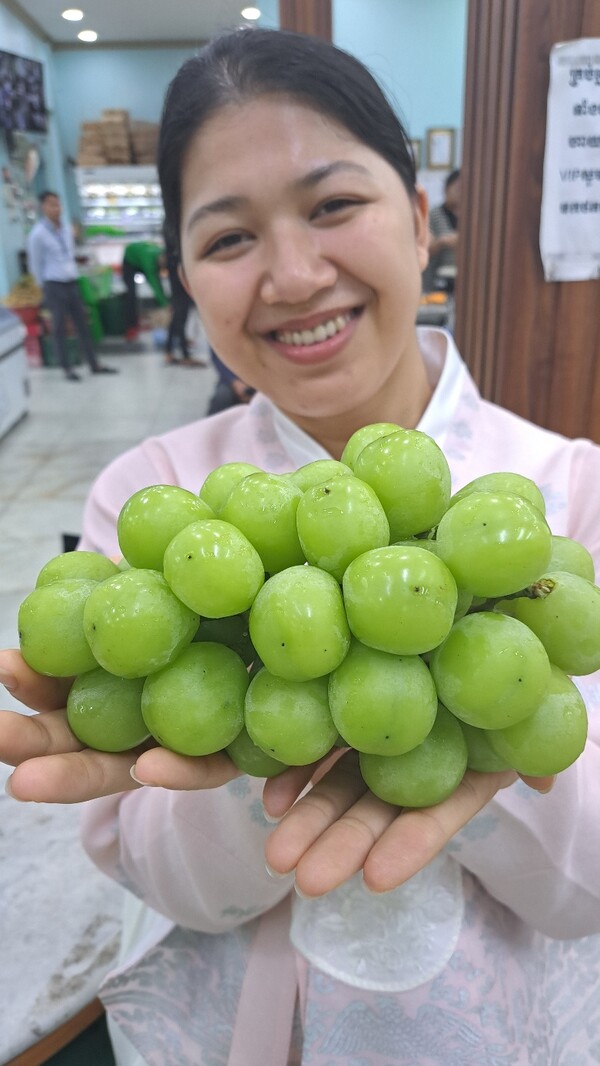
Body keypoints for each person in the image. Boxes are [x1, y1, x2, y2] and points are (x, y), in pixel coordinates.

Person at [2, 29, 600, 1066]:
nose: (291, 273)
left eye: (334, 206)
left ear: (420, 222)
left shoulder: (567, 499)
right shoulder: (151, 504)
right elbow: (174, 884)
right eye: (227, 239)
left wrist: (480, 758)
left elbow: (586, 895)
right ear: (183, 274)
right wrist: (265, 746)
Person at [26, 191, 118, 381]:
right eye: (52, 205)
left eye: (58, 204)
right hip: (53, 284)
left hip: (72, 282)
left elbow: (69, 254)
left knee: (82, 324)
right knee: (59, 327)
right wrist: (41, 289)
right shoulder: (38, 234)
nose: (56, 208)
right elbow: (35, 264)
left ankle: (94, 364)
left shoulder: (66, 229)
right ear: (43, 207)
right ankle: (67, 368)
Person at [164, 237, 207, 367]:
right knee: (180, 317)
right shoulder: (177, 251)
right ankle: (184, 355)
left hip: (177, 284)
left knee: (177, 318)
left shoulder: (171, 253)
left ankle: (169, 351)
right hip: (180, 285)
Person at [421, 168, 460, 293]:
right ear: (446, 189)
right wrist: (442, 242)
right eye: (458, 189)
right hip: (436, 280)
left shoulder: (472, 217)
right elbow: (424, 249)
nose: (461, 193)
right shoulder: (433, 215)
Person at [121, 240, 168, 341]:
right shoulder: (148, 260)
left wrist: (163, 300)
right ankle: (131, 326)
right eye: (163, 264)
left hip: (141, 258)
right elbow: (153, 283)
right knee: (131, 294)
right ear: (161, 258)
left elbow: (158, 283)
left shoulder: (160, 254)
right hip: (130, 260)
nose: (162, 266)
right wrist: (164, 303)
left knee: (159, 285)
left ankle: (159, 320)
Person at [207, 348, 255, 413]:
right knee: (223, 396)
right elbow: (218, 358)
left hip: (261, 378)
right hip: (232, 376)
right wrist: (234, 380)